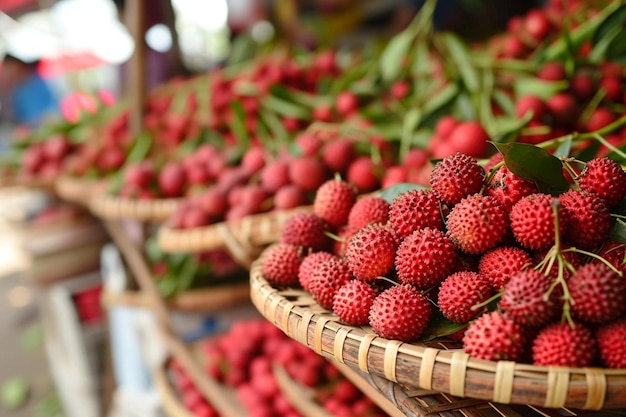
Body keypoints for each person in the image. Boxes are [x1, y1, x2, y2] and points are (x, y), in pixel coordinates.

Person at [0, 54, 59, 128]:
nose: (8, 72)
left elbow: (52, 108)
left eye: (9, 67)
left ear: (18, 65)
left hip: (47, 126)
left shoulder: (38, 81)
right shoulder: (15, 89)